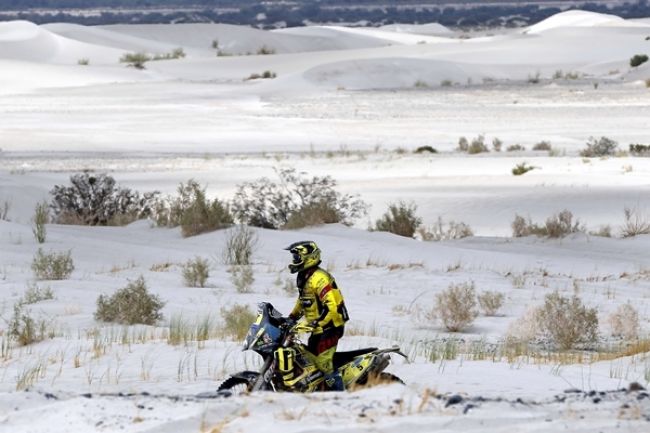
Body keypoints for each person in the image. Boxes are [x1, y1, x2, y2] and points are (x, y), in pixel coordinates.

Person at [285, 240, 349, 391]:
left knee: (323, 364)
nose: (294, 260)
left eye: (297, 257)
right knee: (311, 363)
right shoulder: (304, 276)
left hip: (331, 326)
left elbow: (332, 305)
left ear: (309, 257)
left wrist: (317, 323)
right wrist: (291, 318)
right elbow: (303, 301)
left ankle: (342, 397)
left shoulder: (320, 278)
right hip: (318, 327)